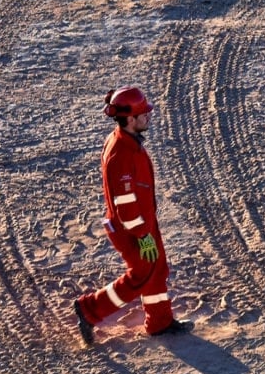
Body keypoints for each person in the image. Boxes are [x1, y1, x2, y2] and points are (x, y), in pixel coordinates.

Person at [73, 86, 193, 345]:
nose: (148, 116)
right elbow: (125, 206)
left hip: (143, 223)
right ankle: (90, 310)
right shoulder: (121, 153)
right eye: (143, 114)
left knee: (157, 269)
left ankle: (160, 322)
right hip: (131, 228)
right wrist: (143, 235)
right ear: (129, 118)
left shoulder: (127, 142)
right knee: (140, 274)